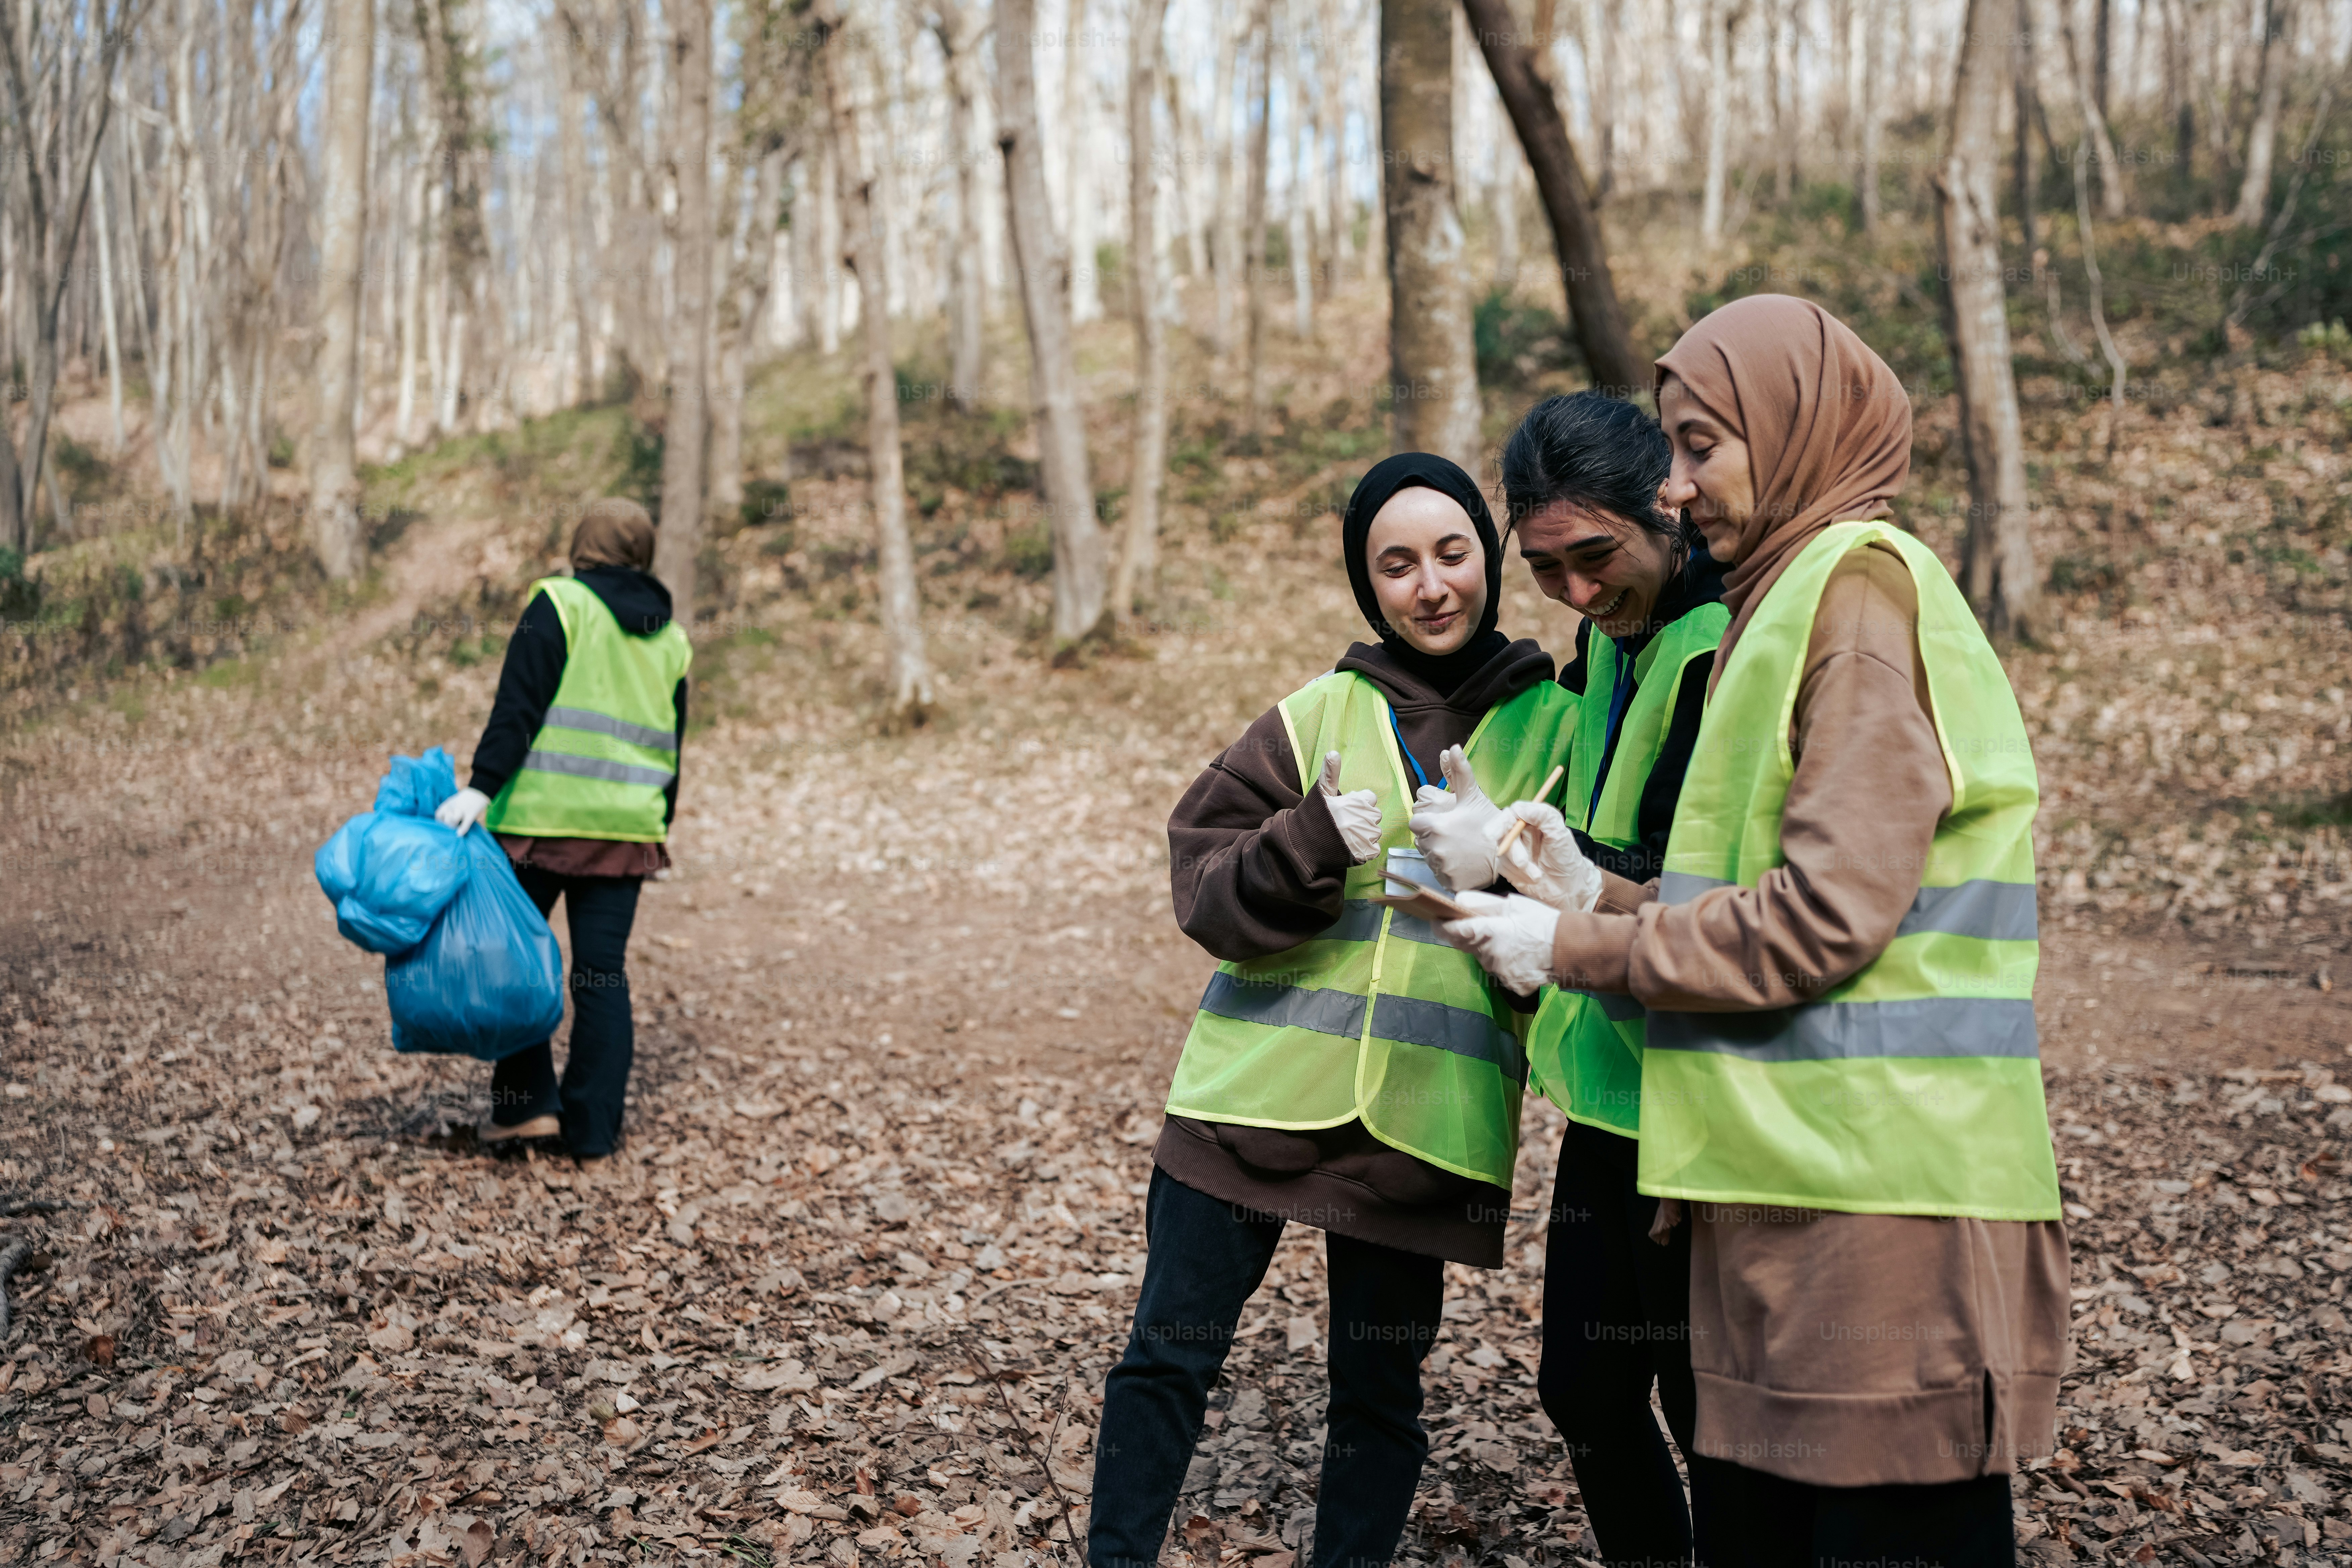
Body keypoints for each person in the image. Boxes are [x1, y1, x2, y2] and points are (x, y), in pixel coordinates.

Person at [1441, 296, 2067, 1568]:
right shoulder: (1788, 604)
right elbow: (1751, 885)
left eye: (1698, 446)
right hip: (1779, 1182)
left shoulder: (1858, 603)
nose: (1675, 484)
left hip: (1889, 1197)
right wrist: (1586, 894)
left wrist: (1570, 947)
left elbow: (1824, 921)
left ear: (1796, 430)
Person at [1091, 454, 1573, 1568]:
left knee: (1377, 1397)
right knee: (1165, 1356)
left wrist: (1504, 864)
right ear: (1368, 586)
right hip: (1246, 1102)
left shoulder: (1557, 726)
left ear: (1487, 560)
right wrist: (1301, 839)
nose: (1429, 585)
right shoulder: (1312, 715)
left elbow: (1590, 912)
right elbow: (1200, 890)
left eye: (1450, 554)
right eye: (1394, 565)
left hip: (1419, 1124)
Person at [1436, 391, 1726, 1568]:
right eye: (1546, 567)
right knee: (1587, 1391)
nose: (1574, 592)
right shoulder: (1611, 644)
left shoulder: (1719, 651)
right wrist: (1502, 853)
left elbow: (1693, 896)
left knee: (1710, 1410)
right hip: (1608, 1086)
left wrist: (1542, 885)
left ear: (1665, 506)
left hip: (1695, 1091)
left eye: (1594, 559)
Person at [434, 498, 691, 1163]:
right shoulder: (671, 636)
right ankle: (592, 1130)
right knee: (602, 976)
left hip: (541, 825)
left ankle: (527, 1110)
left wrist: (481, 787)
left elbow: (519, 704)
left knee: (516, 958)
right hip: (625, 831)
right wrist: (659, 822)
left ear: (584, 547)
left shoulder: (560, 604)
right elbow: (671, 741)